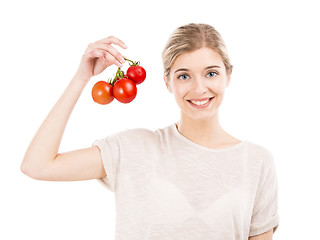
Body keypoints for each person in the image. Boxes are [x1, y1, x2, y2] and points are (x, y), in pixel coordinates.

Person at [21, 23, 279, 240]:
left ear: (228, 76)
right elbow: (37, 165)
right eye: (184, 76)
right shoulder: (133, 148)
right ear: (167, 82)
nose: (199, 89)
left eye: (211, 73)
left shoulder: (256, 162)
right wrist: (81, 77)